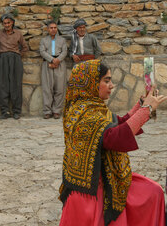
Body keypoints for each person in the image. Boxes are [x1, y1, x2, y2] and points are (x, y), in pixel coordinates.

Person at [59, 59, 166, 226]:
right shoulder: (84, 114)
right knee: (152, 192)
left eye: (110, 81)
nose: (111, 86)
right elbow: (113, 138)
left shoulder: (93, 108)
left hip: (107, 178)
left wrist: (141, 105)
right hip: (92, 190)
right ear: (91, 83)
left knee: (154, 191)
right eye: (106, 81)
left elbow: (119, 123)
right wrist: (146, 110)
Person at [0, 13, 28, 120]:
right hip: (3, 59)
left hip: (15, 59)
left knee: (16, 84)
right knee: (3, 85)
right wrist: (2, 56)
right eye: (4, 23)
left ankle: (16, 111)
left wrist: (18, 56)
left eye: (8, 23)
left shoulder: (18, 33)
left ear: (12, 23)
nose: (6, 25)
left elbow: (25, 47)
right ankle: (5, 111)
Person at [39, 21, 67, 120]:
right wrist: (52, 59)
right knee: (47, 89)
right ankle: (47, 111)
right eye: (51, 28)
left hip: (60, 64)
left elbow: (64, 51)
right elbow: (42, 51)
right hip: (47, 63)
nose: (53, 29)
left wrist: (57, 60)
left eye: (55, 27)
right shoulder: (43, 40)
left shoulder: (62, 40)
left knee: (59, 89)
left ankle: (57, 111)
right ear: (48, 29)